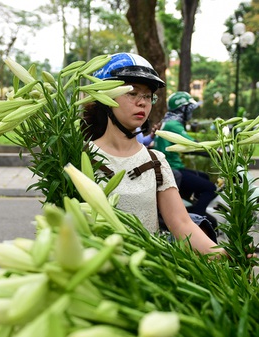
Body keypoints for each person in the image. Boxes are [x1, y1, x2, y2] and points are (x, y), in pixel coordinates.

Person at [80, 53, 222, 257]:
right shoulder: (79, 157)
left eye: (147, 95)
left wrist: (227, 255)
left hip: (147, 276)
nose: (142, 102)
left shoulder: (156, 162)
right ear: (104, 96)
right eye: (132, 92)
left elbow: (182, 225)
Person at [153, 91, 217, 218]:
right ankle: (197, 219)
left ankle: (194, 208)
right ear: (182, 109)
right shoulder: (173, 124)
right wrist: (216, 152)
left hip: (170, 166)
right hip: (172, 169)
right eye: (189, 109)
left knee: (204, 177)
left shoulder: (168, 121)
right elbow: (192, 145)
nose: (191, 113)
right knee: (210, 188)